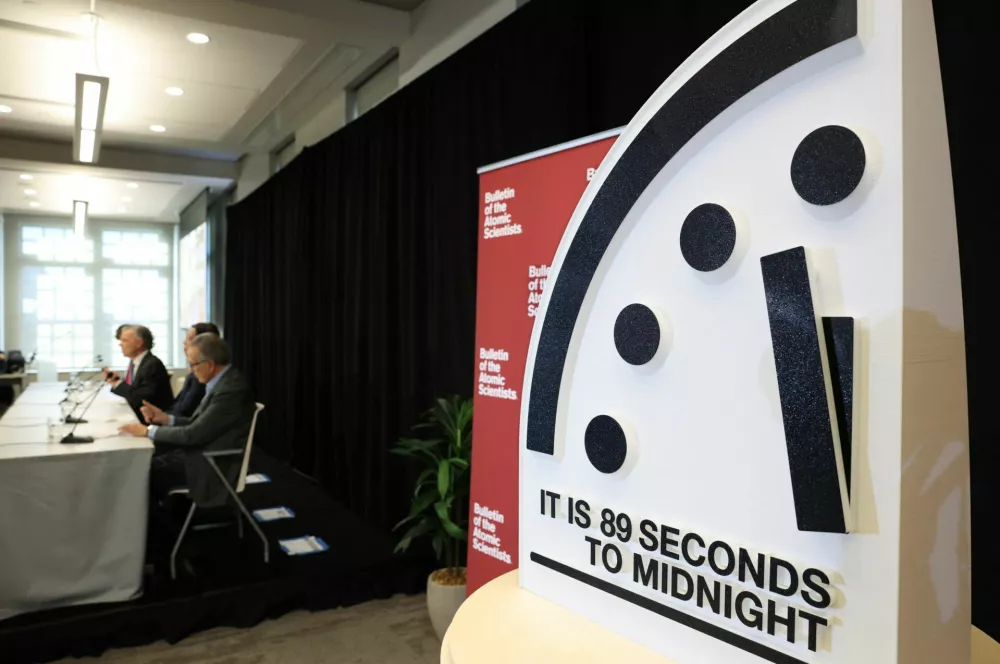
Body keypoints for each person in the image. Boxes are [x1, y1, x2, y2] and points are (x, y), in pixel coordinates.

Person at [119, 334, 255, 508]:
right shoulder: (223, 382)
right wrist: (166, 419)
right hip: (201, 451)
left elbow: (193, 434)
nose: (191, 370)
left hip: (212, 463)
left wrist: (147, 431)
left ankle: (159, 529)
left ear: (210, 365)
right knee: (147, 459)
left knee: (144, 470)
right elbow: (201, 424)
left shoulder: (230, 390)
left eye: (193, 364)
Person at [104, 325, 174, 416]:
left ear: (139, 343)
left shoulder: (152, 364)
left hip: (151, 419)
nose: (120, 344)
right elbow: (132, 389)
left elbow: (142, 398)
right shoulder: (135, 362)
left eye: (125, 340)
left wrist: (118, 384)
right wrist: (116, 380)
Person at [169, 322, 221, 418]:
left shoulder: (203, 376)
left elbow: (186, 410)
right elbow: (178, 404)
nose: (184, 342)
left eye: (189, 339)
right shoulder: (193, 374)